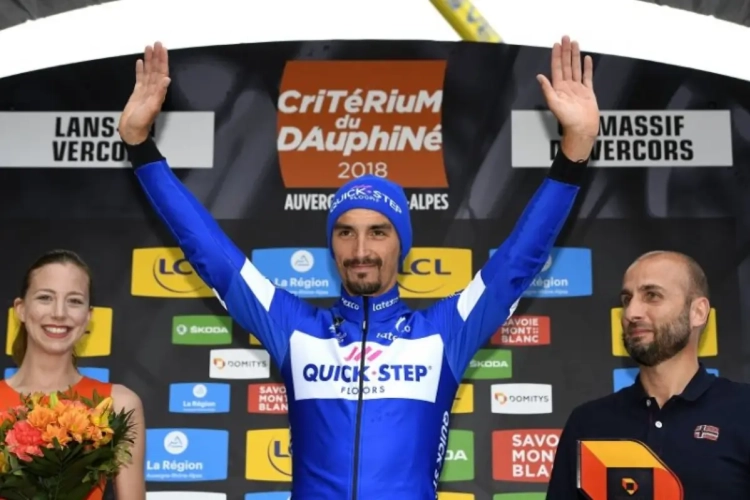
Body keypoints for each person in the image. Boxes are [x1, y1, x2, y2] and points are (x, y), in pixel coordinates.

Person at [118, 36, 599, 499]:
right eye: (345, 232)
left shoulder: (442, 332)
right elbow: (210, 252)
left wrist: (573, 153)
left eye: (378, 232)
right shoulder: (296, 330)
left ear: (402, 245)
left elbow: (517, 261)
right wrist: (141, 149)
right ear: (331, 246)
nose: (361, 249)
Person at [546, 251, 750, 499]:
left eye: (652, 296)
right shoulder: (588, 422)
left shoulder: (743, 410)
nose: (631, 313)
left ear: (698, 312)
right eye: (626, 299)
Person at [0, 250, 147, 500]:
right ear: (21, 309)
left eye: (74, 301)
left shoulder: (118, 404)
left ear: (88, 316)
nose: (59, 313)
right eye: (45, 297)